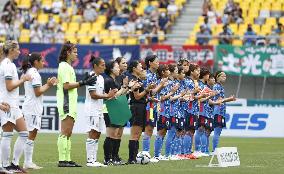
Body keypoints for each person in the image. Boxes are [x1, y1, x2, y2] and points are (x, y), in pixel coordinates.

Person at [56, 41, 97, 167]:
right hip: (66, 102)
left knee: (68, 132)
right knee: (65, 131)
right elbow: (66, 86)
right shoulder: (63, 66)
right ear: (68, 53)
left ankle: (67, 159)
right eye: (74, 52)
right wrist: (83, 82)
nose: (77, 54)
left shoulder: (68, 67)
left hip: (71, 102)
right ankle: (62, 160)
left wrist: (83, 82)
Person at [21, 52, 57, 169]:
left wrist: (47, 84)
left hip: (31, 106)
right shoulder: (34, 73)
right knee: (31, 133)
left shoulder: (30, 72)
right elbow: (38, 92)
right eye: (42, 60)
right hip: (32, 107)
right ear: (36, 62)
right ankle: (27, 162)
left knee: (32, 133)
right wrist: (49, 84)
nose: (44, 62)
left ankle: (28, 161)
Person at [0, 40, 31, 173]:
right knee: (7, 135)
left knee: (24, 133)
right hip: (7, 104)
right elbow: (9, 86)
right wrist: (23, 79)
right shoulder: (7, 65)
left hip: (13, 104)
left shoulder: (9, 64)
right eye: (17, 49)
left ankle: (13, 163)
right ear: (12, 50)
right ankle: (5, 165)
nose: (19, 51)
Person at [85, 56, 117, 167]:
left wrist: (110, 96)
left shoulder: (101, 78)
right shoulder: (91, 76)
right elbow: (93, 95)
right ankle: (90, 160)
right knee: (92, 132)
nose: (104, 67)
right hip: (91, 109)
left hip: (99, 109)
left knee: (98, 133)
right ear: (95, 66)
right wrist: (106, 95)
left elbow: (103, 95)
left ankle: (93, 159)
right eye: (102, 65)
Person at [127, 61, 155, 164]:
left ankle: (134, 158)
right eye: (140, 67)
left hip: (141, 107)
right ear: (134, 68)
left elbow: (141, 97)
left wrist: (148, 99)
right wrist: (147, 90)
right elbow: (137, 97)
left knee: (138, 134)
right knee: (135, 134)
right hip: (136, 108)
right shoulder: (134, 80)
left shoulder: (138, 80)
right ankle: (131, 159)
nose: (142, 68)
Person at [103, 60, 129, 165]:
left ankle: (112, 158)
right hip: (109, 108)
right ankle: (107, 158)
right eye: (117, 67)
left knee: (114, 135)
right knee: (110, 135)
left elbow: (119, 94)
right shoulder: (108, 80)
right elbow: (112, 96)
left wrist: (127, 87)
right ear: (111, 69)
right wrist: (123, 87)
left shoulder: (113, 80)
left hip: (115, 108)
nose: (119, 69)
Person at [143, 55, 166, 163]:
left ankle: (148, 154)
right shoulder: (147, 75)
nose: (158, 63)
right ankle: (145, 154)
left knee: (151, 129)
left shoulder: (155, 75)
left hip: (155, 106)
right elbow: (151, 92)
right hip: (149, 106)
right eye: (156, 61)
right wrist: (161, 85)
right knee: (149, 129)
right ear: (150, 63)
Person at [212, 71, 236, 153]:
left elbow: (222, 100)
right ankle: (214, 150)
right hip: (218, 110)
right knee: (217, 131)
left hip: (221, 111)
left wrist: (228, 100)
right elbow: (218, 100)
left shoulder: (221, 87)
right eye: (222, 76)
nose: (224, 78)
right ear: (217, 77)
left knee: (218, 131)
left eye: (225, 76)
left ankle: (215, 149)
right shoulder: (216, 86)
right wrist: (229, 99)